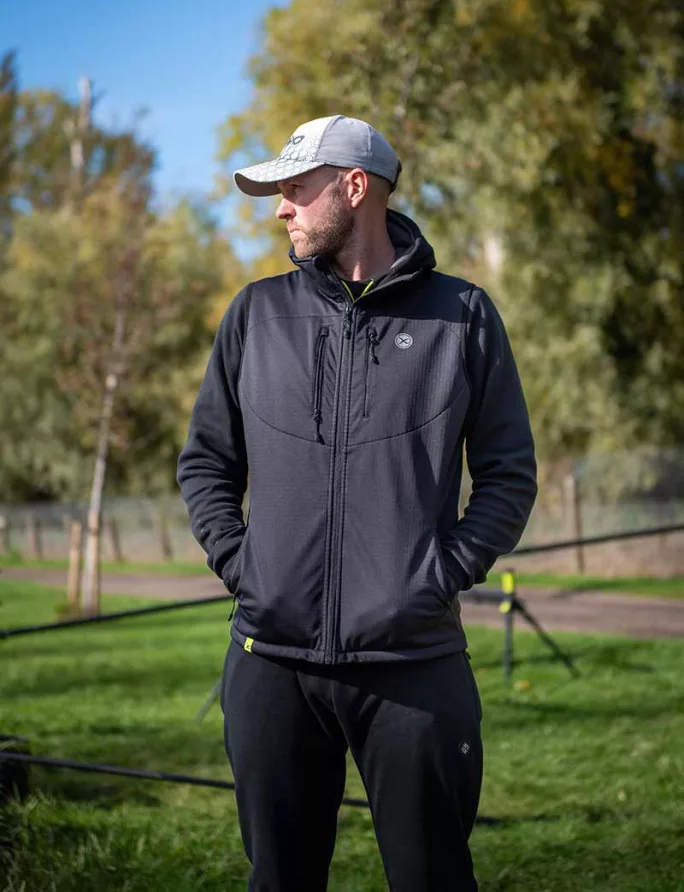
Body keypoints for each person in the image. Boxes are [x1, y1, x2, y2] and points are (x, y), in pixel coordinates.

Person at [177, 114, 537, 891]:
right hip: (270, 663)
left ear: (354, 186)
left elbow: (509, 473)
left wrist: (437, 575)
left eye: (295, 189)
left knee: (433, 878)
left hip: (414, 666)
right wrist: (245, 567)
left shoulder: (463, 316)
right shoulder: (255, 315)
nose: (281, 208)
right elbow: (206, 461)